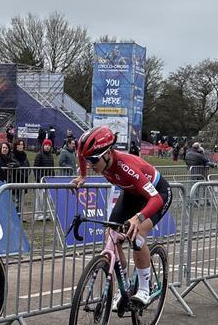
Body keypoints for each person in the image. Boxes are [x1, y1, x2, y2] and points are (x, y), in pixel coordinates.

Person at [71, 126, 173, 305]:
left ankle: (144, 288)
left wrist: (138, 217)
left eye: (93, 160)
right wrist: (82, 176)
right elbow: (81, 155)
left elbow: (155, 199)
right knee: (111, 233)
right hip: (132, 193)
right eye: (88, 160)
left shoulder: (125, 167)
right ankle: (124, 285)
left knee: (136, 234)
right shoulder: (95, 158)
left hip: (157, 194)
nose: (90, 164)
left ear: (108, 153)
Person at [33, 138, 55, 221]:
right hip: (41, 181)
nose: (47, 147)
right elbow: (35, 168)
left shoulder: (51, 156)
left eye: (49, 145)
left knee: (48, 199)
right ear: (43, 145)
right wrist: (39, 179)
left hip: (49, 181)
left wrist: (53, 178)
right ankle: (39, 215)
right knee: (40, 199)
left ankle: (47, 214)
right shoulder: (39, 155)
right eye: (46, 145)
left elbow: (52, 168)